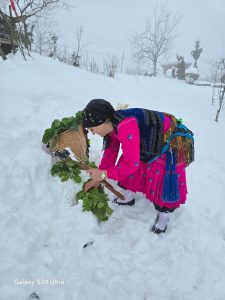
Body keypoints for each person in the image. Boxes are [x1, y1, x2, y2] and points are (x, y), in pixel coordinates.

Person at [82, 99, 194, 234]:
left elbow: (131, 164)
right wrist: (99, 176)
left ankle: (163, 218)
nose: (93, 133)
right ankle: (128, 197)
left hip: (168, 142)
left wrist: (104, 174)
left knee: (159, 175)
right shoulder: (111, 126)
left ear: (104, 121)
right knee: (130, 163)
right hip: (146, 143)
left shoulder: (125, 125)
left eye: (93, 129)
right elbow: (110, 153)